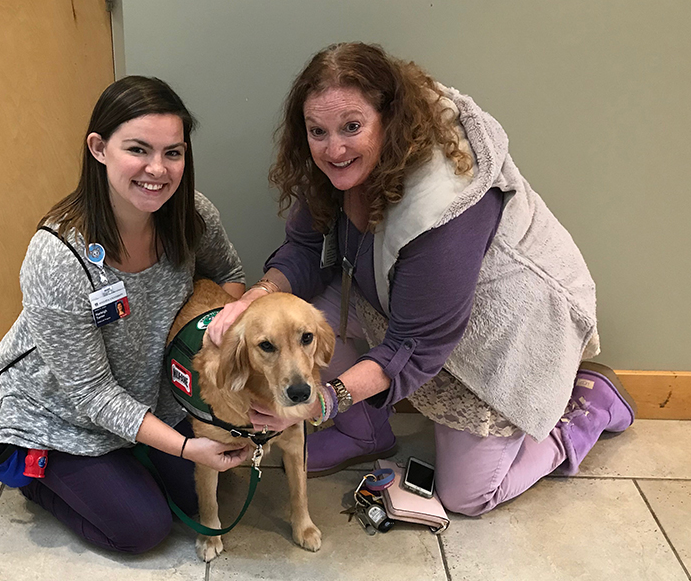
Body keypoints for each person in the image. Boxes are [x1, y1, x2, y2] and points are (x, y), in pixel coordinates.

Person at [207, 43, 636, 517]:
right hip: (395, 300)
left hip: (502, 329)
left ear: (389, 119)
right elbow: (307, 250)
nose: (334, 149)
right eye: (317, 132)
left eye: (352, 126)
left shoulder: (445, 205)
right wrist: (257, 298)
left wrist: (328, 403)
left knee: (469, 497)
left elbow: (415, 342)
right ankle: (366, 430)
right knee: (295, 325)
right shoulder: (327, 168)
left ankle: (587, 411)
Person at [0, 75, 250, 553]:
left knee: (202, 496)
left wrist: (213, 335)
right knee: (141, 529)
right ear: (99, 148)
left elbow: (230, 274)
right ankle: (28, 467)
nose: (158, 169)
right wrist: (188, 447)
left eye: (173, 152)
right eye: (138, 149)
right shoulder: (57, 256)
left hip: (152, 394)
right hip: (63, 411)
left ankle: (135, 459)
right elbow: (89, 392)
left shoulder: (191, 213)